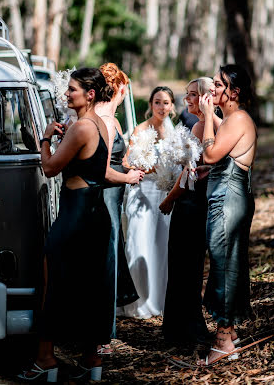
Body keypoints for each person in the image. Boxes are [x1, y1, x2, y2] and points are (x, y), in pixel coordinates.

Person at [18, 68, 113, 382]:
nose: (66, 93)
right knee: (90, 285)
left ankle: (45, 359)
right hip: (97, 213)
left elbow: (48, 168)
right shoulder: (102, 124)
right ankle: (90, 357)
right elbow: (95, 166)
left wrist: (46, 136)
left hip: (76, 213)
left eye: (72, 89)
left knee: (51, 282)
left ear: (89, 94)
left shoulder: (81, 126)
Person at [198, 64, 257, 366]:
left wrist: (209, 117)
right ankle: (229, 333)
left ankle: (222, 339)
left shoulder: (238, 119)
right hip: (229, 197)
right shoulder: (233, 119)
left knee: (223, 265)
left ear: (234, 92)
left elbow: (210, 154)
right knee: (228, 262)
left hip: (228, 200)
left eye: (220, 85)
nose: (213, 89)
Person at [159, 77, 214, 346]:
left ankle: (186, 330)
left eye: (193, 95)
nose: (187, 99)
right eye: (187, 94)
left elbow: (189, 175)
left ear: (206, 97)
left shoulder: (201, 127)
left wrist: (169, 199)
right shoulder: (208, 125)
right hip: (196, 201)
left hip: (192, 204)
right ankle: (181, 328)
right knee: (186, 267)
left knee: (184, 266)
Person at [95, 63, 144, 353]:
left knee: (109, 258)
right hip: (106, 198)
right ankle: (103, 335)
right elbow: (100, 168)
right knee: (107, 260)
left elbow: (112, 159)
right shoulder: (107, 119)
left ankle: (102, 330)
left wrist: (129, 164)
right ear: (121, 89)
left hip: (113, 197)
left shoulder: (106, 116)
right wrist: (128, 176)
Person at [118, 86, 176, 319]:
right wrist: (142, 167)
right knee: (140, 242)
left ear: (172, 106)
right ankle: (139, 301)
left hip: (165, 193)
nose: (162, 107)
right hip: (143, 192)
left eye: (166, 103)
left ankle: (160, 299)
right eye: (157, 102)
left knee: (162, 245)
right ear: (151, 105)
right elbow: (125, 161)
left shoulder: (174, 133)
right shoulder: (141, 130)